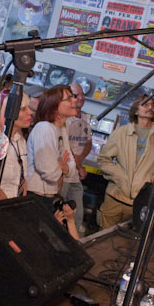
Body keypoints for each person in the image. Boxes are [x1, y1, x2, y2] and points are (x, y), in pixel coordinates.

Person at [96, 94, 154, 229]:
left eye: (153, 105)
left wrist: (151, 184)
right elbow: (103, 160)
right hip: (115, 198)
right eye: (145, 104)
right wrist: (119, 176)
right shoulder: (120, 133)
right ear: (136, 110)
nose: (150, 107)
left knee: (128, 245)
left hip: (141, 203)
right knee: (101, 242)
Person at [26, 85, 79, 239]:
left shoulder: (61, 129)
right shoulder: (44, 128)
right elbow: (49, 173)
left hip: (48, 198)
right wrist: (62, 167)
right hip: (35, 199)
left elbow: (72, 168)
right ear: (54, 106)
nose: (74, 101)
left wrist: (61, 165)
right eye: (68, 98)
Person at [0, 90, 34, 200]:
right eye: (22, 109)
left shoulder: (20, 141)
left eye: (28, 107)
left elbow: (23, 181)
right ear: (6, 112)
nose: (30, 112)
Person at [61, 83, 91, 236]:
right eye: (75, 95)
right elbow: (65, 145)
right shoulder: (64, 119)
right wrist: (78, 165)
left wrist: (79, 162)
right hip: (65, 173)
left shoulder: (85, 117)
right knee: (60, 212)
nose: (80, 98)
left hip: (75, 174)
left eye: (82, 94)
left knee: (77, 213)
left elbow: (88, 142)